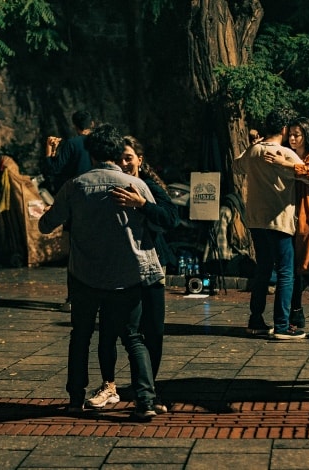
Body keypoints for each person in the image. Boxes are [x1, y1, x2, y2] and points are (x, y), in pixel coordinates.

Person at [38, 123, 163, 420]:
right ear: (117, 153)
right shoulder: (137, 186)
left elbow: (46, 225)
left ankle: (74, 398)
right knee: (133, 337)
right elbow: (157, 222)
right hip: (128, 274)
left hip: (85, 276)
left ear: (91, 153)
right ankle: (145, 400)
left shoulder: (76, 185)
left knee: (80, 336)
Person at [87, 135, 180, 414]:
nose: (125, 163)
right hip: (116, 268)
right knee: (110, 329)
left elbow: (171, 218)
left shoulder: (149, 187)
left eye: (129, 157)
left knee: (152, 332)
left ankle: (149, 390)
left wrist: (142, 203)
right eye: (120, 158)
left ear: (140, 159)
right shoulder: (108, 186)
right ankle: (109, 386)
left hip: (150, 267)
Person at [233, 108, 306, 340]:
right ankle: (282, 325)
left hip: (256, 219)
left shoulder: (254, 151)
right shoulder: (285, 153)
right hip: (280, 220)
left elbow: (237, 166)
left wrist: (252, 145)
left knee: (263, 269)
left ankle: (256, 319)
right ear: (284, 130)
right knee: (286, 271)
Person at [267, 117, 309, 339]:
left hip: (307, 216)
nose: (293, 138)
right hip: (292, 216)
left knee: (308, 268)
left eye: (298, 135)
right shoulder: (290, 154)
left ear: (307, 135)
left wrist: (286, 165)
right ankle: (297, 314)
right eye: (291, 134)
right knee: (295, 270)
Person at [43, 110, 96, 312]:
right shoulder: (100, 144)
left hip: (76, 203)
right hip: (99, 201)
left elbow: (54, 169)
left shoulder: (72, 144)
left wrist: (50, 149)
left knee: (75, 251)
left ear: (74, 125)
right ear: (92, 122)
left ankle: (74, 298)